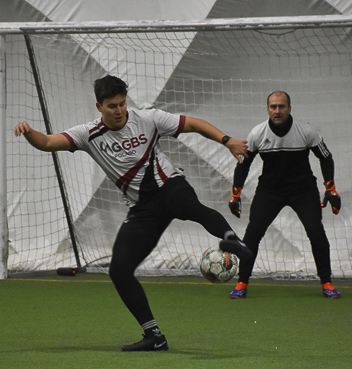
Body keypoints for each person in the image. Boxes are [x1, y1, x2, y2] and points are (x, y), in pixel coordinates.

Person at [14, 75, 252, 351]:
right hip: (142, 209)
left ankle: (232, 240)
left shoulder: (149, 118)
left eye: (122, 104)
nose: (119, 110)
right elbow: (46, 142)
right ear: (99, 107)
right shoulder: (88, 134)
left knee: (189, 206)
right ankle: (154, 336)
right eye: (112, 106)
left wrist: (227, 140)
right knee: (119, 270)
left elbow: (194, 124)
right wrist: (29, 132)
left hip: (168, 185)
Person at [227, 91, 342, 299]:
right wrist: (235, 194)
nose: (277, 111)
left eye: (281, 106)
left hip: (303, 190)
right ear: (267, 109)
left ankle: (326, 283)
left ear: (290, 108)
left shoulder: (306, 131)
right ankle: (242, 283)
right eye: (273, 107)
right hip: (270, 191)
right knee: (253, 233)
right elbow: (243, 164)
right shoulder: (257, 133)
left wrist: (330, 188)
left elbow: (326, 157)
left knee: (316, 232)